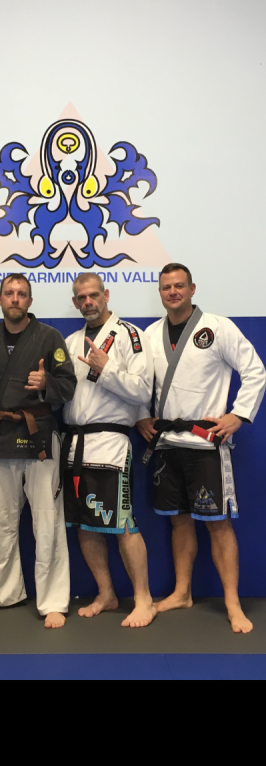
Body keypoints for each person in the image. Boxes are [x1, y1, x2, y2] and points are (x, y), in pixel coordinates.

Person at [137, 262, 266, 633]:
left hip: (205, 442)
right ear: (160, 293)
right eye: (166, 287)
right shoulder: (150, 334)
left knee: (218, 524)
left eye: (179, 286)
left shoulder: (218, 327)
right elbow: (139, 383)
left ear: (192, 289)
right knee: (178, 521)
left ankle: (232, 602)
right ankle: (182, 592)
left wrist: (238, 415)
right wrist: (140, 416)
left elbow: (255, 370)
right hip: (166, 443)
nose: (173, 292)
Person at [0, 273, 76, 628]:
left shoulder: (49, 337)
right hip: (0, 436)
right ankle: (7, 592)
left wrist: (47, 382)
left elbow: (69, 385)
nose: (15, 298)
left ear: (30, 301)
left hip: (40, 438)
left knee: (47, 521)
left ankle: (53, 601)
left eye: (21, 294)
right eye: (9, 293)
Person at [62, 272, 156, 627]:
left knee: (123, 523)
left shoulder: (130, 335)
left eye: (93, 295)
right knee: (84, 523)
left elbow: (143, 390)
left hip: (111, 443)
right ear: (75, 302)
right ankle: (106, 593)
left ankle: (144, 599)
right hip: (75, 443)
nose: (88, 302)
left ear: (106, 295)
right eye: (81, 297)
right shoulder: (71, 341)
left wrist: (106, 369)